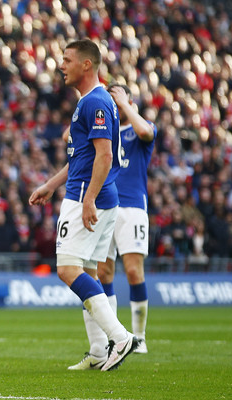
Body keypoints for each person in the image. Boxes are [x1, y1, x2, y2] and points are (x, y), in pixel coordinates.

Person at [29, 39, 137, 372]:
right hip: (95, 195)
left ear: (86, 65)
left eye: (67, 59)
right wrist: (50, 184)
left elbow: (104, 156)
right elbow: (82, 157)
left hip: (87, 199)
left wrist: (87, 199)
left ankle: (120, 337)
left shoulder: (95, 102)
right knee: (88, 271)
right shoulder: (89, 102)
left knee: (66, 269)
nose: (61, 65)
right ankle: (99, 352)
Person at [68, 83, 157, 370]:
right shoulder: (104, 128)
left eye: (119, 98)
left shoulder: (138, 128)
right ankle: (111, 341)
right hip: (106, 203)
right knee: (101, 271)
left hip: (133, 208)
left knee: (133, 270)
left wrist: (126, 104)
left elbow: (146, 132)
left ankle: (139, 336)